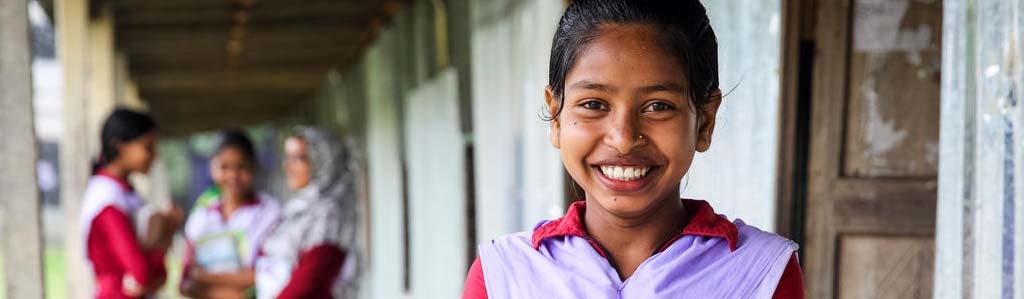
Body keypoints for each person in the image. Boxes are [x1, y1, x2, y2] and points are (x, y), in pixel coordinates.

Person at [462, 1, 804, 298]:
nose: (624, 138)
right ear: (556, 117)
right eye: (594, 104)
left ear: (704, 122)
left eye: (658, 106)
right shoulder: (504, 276)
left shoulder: (761, 274)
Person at [81, 108, 183, 299]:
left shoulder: (124, 193)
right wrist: (164, 237)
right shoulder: (107, 200)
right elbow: (142, 275)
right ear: (120, 146)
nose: (154, 156)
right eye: (148, 147)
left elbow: (154, 279)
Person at [256, 127, 359, 299]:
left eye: (299, 158)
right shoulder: (296, 208)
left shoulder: (329, 211)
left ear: (321, 160)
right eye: (287, 157)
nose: (287, 166)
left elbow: (310, 281)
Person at [180, 129, 280, 299]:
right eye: (224, 167)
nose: (233, 176)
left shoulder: (269, 212)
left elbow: (266, 276)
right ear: (212, 167)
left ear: (254, 166)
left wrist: (206, 278)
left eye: (241, 167)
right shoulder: (202, 214)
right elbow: (186, 282)